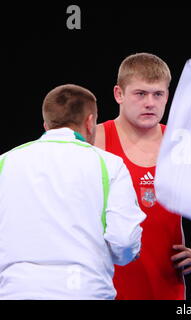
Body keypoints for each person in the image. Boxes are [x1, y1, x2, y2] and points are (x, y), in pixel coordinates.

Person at [94, 53, 191, 300]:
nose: (150, 103)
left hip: (165, 287)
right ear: (119, 94)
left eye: (158, 94)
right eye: (140, 94)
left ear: (167, 96)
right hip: (103, 287)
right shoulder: (95, 140)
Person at [0, 84, 146, 300]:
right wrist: (129, 254)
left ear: (46, 123)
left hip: (17, 291)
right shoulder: (109, 164)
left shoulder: (5, 162)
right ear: (90, 122)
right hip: (85, 291)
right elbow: (124, 241)